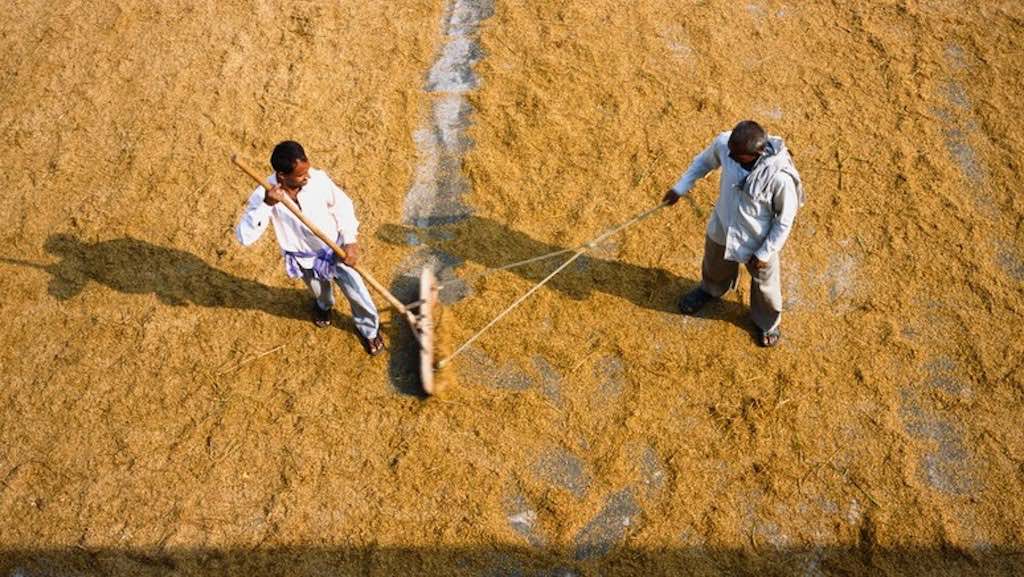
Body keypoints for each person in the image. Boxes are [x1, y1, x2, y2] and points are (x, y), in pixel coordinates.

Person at [661, 120, 804, 347]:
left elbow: (784, 221)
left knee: (765, 285)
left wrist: (765, 252)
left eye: (738, 154)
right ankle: (712, 290)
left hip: (758, 241)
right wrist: (680, 187)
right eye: (731, 150)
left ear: (757, 152)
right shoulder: (727, 146)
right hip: (723, 225)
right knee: (714, 264)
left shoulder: (780, 178)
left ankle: (767, 322)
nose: (731, 156)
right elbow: (703, 163)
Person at [236, 141, 385, 355]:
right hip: (305, 260)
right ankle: (324, 307)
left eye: (306, 170)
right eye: (300, 175)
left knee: (358, 294)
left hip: (337, 250)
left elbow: (343, 206)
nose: (307, 177)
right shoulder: (264, 194)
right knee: (320, 292)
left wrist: (350, 240)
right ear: (281, 175)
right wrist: (267, 205)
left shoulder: (319, 179)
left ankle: (369, 330)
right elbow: (244, 237)